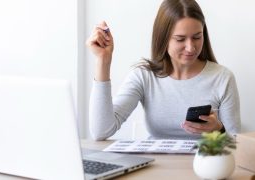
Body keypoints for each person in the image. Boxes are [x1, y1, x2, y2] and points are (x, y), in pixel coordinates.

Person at [86, 0, 240, 140]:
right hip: (156, 166)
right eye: (180, 39)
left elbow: (237, 143)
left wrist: (219, 129)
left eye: (197, 37)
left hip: (204, 166)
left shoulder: (222, 77)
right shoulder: (144, 76)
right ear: (163, 38)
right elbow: (101, 131)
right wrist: (103, 61)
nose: (191, 47)